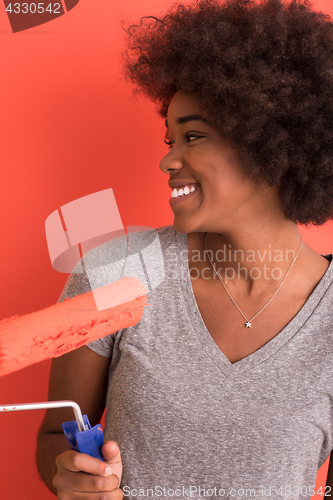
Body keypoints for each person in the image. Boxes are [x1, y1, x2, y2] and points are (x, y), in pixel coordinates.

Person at [36, 0, 333, 498]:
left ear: (273, 146)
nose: (166, 160)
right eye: (170, 137)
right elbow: (54, 435)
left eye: (193, 136)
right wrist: (70, 476)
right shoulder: (116, 272)